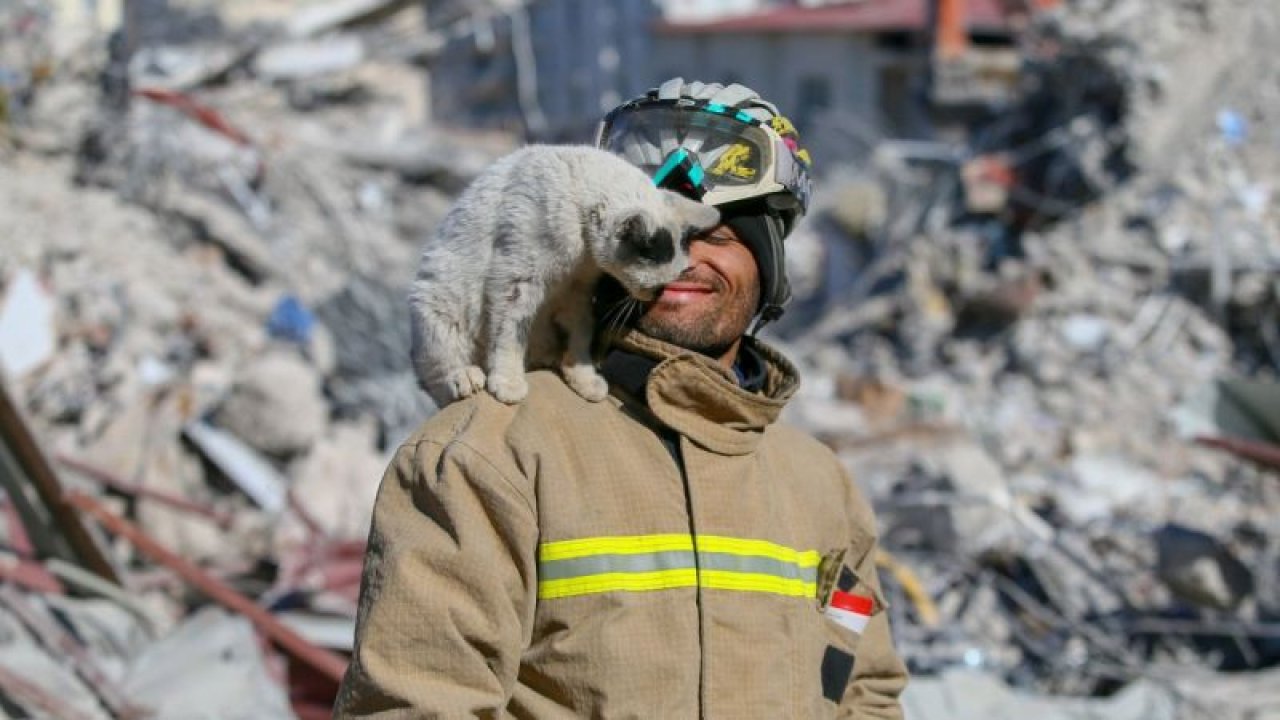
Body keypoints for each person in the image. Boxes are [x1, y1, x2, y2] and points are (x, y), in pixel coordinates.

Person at [335, 78, 908, 718]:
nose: (683, 262)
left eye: (717, 237)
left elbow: (866, 688)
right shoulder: (489, 456)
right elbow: (419, 703)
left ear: (769, 266)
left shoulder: (820, 485)